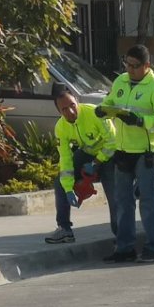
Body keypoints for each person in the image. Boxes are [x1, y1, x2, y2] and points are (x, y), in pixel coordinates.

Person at [96, 45, 154, 263]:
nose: (129, 69)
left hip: (146, 151)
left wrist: (141, 121)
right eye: (127, 64)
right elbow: (111, 102)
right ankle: (125, 248)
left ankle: (152, 247)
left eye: (134, 66)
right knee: (122, 201)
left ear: (147, 66)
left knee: (148, 201)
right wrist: (103, 109)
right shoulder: (120, 81)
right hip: (123, 150)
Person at [45, 85, 117, 244]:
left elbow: (113, 141)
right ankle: (64, 229)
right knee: (60, 183)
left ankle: (122, 236)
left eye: (72, 105)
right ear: (59, 112)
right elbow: (65, 159)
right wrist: (69, 189)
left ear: (77, 101)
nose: (70, 111)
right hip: (88, 154)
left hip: (110, 155)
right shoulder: (61, 128)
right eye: (64, 109)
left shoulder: (94, 112)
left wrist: (96, 163)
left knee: (114, 196)